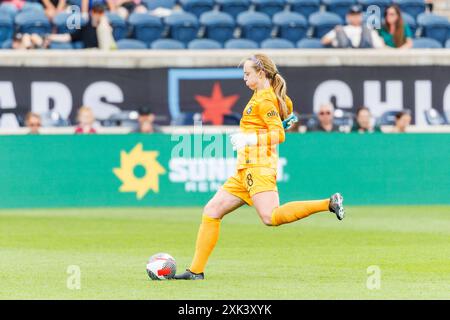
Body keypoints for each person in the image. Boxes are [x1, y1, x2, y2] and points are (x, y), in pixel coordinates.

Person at [173, 54, 345, 280]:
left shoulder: (265, 100)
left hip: (259, 166)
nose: (244, 78)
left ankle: (328, 203)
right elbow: (288, 115)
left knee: (270, 217)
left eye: (247, 74)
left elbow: (279, 134)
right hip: (244, 169)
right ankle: (195, 271)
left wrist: (251, 139)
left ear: (261, 74)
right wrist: (281, 120)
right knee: (212, 211)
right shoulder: (263, 96)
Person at [46, 3, 115, 49]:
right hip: (89, 55)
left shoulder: (107, 27)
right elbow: (68, 37)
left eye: (100, 13)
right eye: (96, 12)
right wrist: (50, 37)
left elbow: (109, 44)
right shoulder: (85, 27)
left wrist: (105, 24)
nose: (98, 15)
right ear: (92, 13)